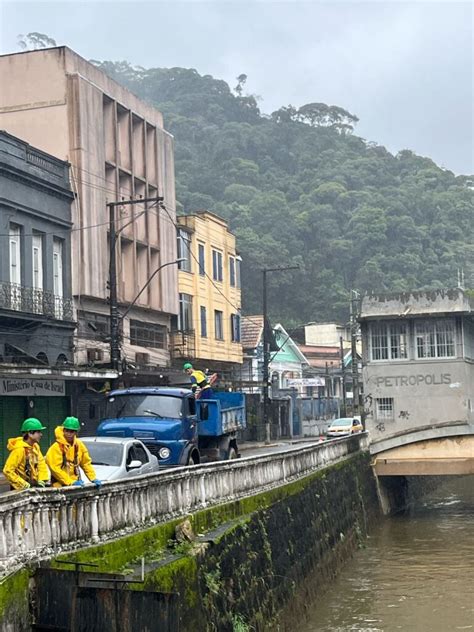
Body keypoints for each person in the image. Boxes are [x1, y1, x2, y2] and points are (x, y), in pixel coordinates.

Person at [45, 416, 101, 488]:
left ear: (76, 432)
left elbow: (86, 463)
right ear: (63, 430)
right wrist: (70, 482)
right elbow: (54, 468)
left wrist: (93, 478)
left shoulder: (78, 445)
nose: (69, 433)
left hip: (75, 484)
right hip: (58, 485)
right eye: (67, 430)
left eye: (72, 431)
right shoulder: (56, 447)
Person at [3, 418, 50, 490]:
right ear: (30, 433)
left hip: (33, 484)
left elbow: (41, 464)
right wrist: (24, 485)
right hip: (20, 489)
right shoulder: (19, 450)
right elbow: (7, 470)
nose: (41, 434)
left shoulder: (35, 447)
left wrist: (41, 480)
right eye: (38, 432)